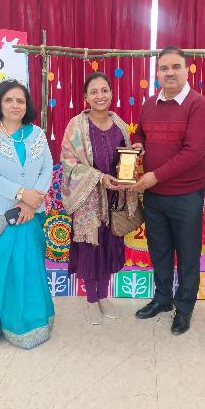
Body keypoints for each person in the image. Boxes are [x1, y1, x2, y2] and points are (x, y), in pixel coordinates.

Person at [131, 47, 205, 335]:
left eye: (175, 67)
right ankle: (163, 299)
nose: (169, 73)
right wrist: (139, 144)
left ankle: (185, 308)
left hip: (186, 195)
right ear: (157, 73)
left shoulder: (198, 105)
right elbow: (140, 132)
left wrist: (155, 176)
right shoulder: (149, 104)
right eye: (164, 68)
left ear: (187, 70)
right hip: (155, 196)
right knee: (160, 251)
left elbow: (193, 152)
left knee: (188, 255)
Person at [0, 79, 54, 349]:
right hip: (1, 214)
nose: (15, 105)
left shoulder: (37, 134)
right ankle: (4, 325)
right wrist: (22, 194)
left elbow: (47, 169)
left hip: (32, 214)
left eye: (20, 100)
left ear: (26, 105)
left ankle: (37, 322)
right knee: (3, 270)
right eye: (8, 99)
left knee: (31, 267)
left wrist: (31, 203)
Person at [61, 72, 138, 325]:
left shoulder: (120, 125)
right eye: (93, 92)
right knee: (90, 249)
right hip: (88, 201)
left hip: (114, 199)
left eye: (104, 90)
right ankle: (91, 300)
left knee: (108, 247)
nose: (100, 96)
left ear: (111, 93)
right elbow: (68, 163)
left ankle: (104, 296)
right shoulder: (76, 126)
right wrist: (98, 178)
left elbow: (126, 161)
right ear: (86, 97)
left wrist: (132, 161)